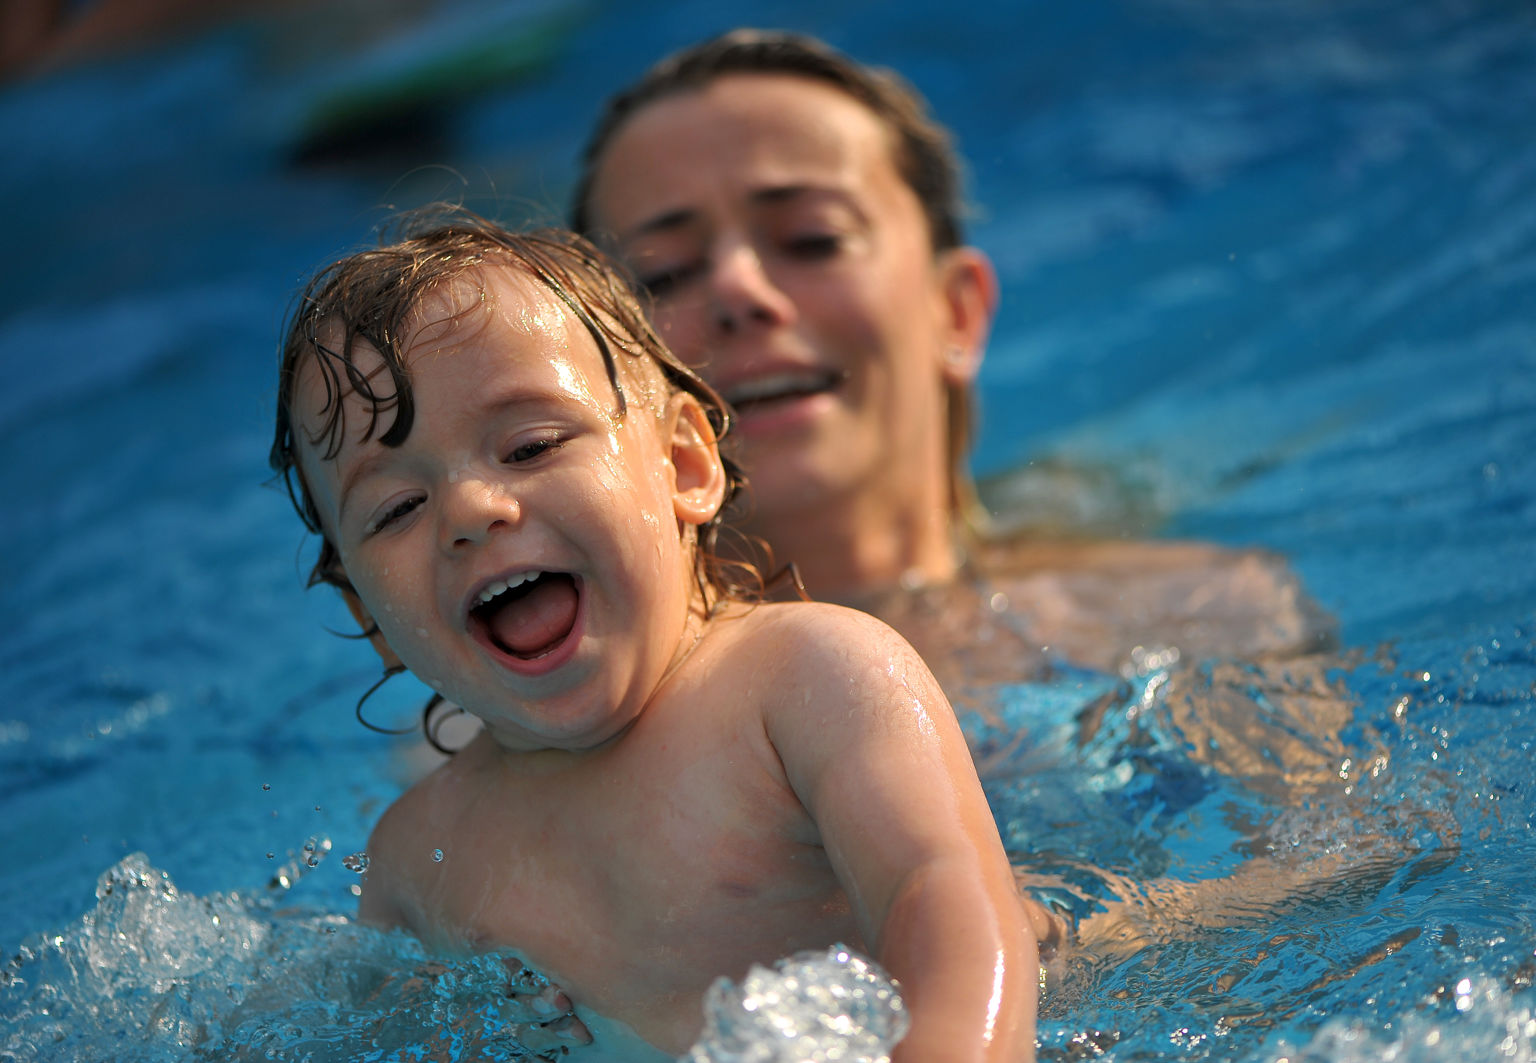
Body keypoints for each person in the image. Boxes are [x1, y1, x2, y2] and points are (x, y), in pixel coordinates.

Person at [268, 212, 1050, 1060]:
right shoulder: (419, 862)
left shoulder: (806, 680)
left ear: (684, 464)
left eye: (528, 446)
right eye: (396, 508)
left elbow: (944, 903)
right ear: (369, 619)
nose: (469, 510)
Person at [570, 29, 1334, 707]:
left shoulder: (1202, 613)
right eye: (662, 273)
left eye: (812, 238)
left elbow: (1348, 865)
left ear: (956, 311)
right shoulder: (536, 735)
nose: (738, 292)